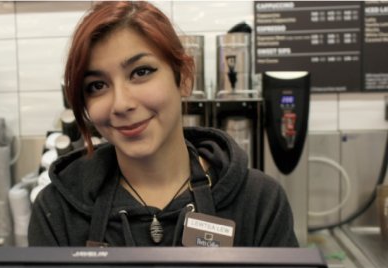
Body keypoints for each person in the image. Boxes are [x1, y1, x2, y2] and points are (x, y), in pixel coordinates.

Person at [29, 1, 297, 247]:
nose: (121, 104)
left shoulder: (259, 203)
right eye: (97, 86)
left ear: (185, 78)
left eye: (141, 72)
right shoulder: (57, 211)